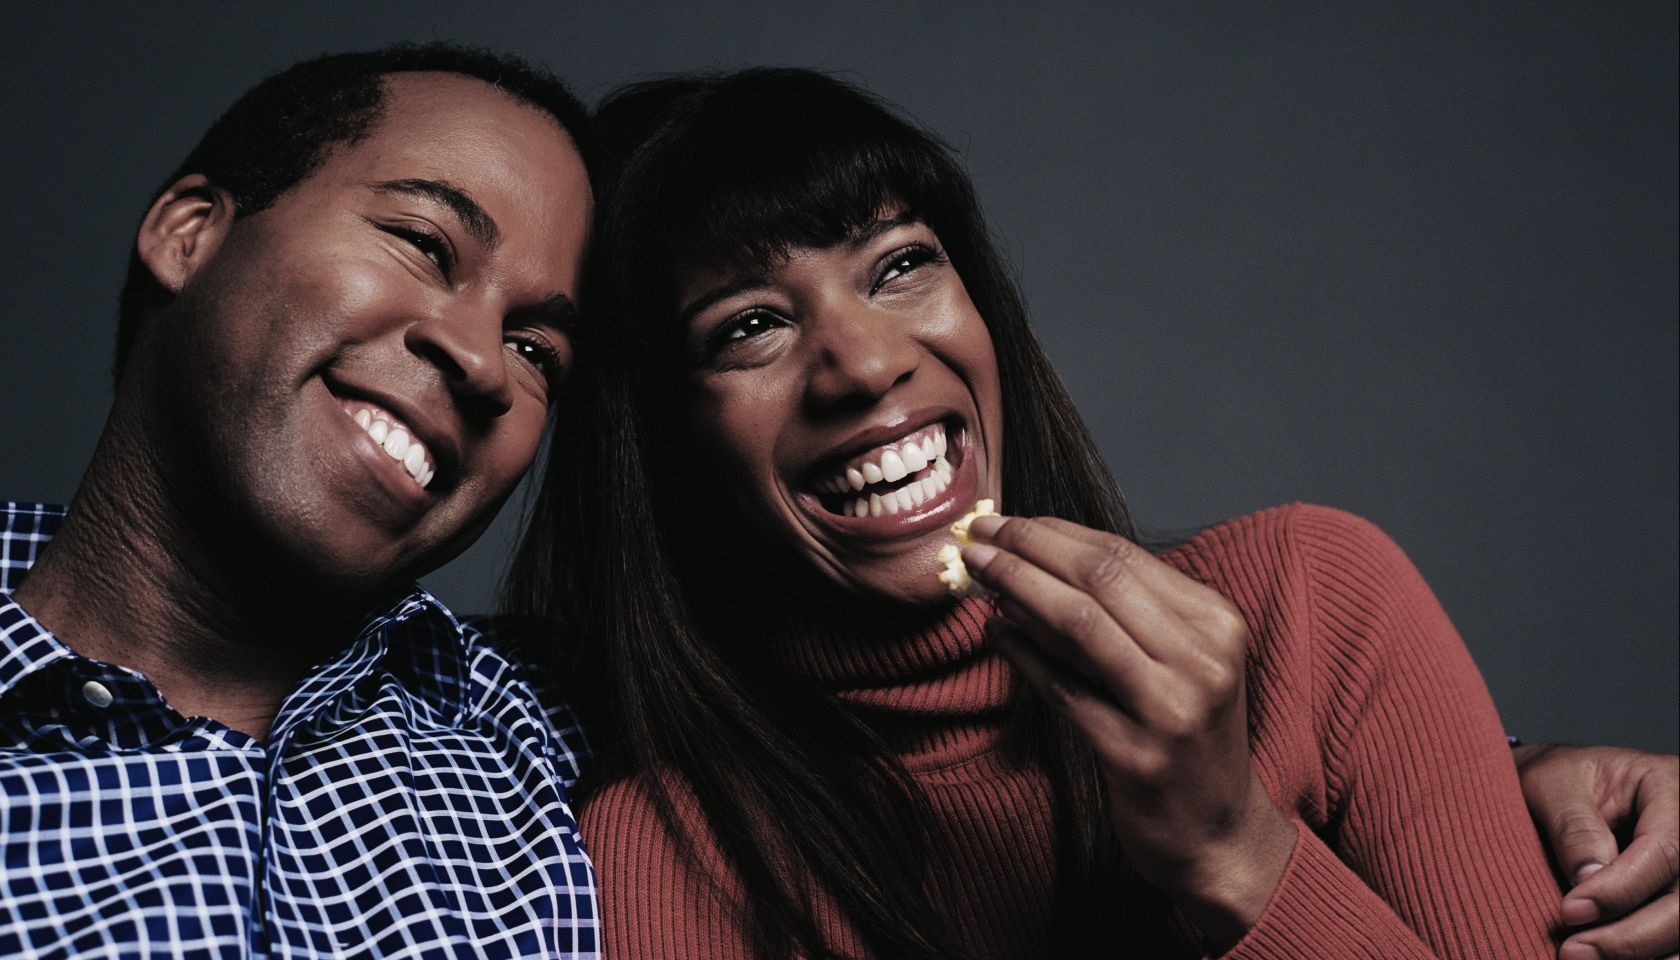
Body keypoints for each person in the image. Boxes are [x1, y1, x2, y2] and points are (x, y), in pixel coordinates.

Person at [509, 68, 1680, 960]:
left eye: (899, 263)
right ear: (653, 448)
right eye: (750, 326)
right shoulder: (660, 859)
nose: (864, 363)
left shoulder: (1318, 604)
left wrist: (1240, 856)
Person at [0, 46, 599, 958]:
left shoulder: (556, 732)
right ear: (190, 235)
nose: (483, 360)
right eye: (425, 243)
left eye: (536, 350)